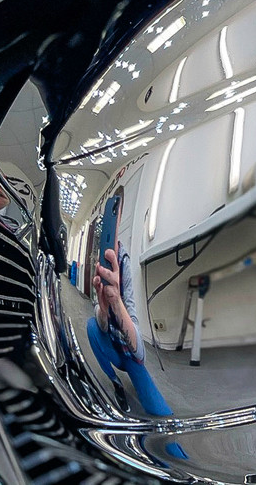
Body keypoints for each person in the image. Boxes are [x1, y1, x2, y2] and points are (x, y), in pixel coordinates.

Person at [86, 193, 185, 458]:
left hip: (130, 354)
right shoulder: (99, 261)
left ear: (118, 219)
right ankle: (116, 384)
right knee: (91, 326)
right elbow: (101, 327)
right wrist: (103, 308)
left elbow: (140, 352)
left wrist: (116, 300)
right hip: (110, 344)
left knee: (164, 422)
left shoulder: (124, 263)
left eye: (114, 215)